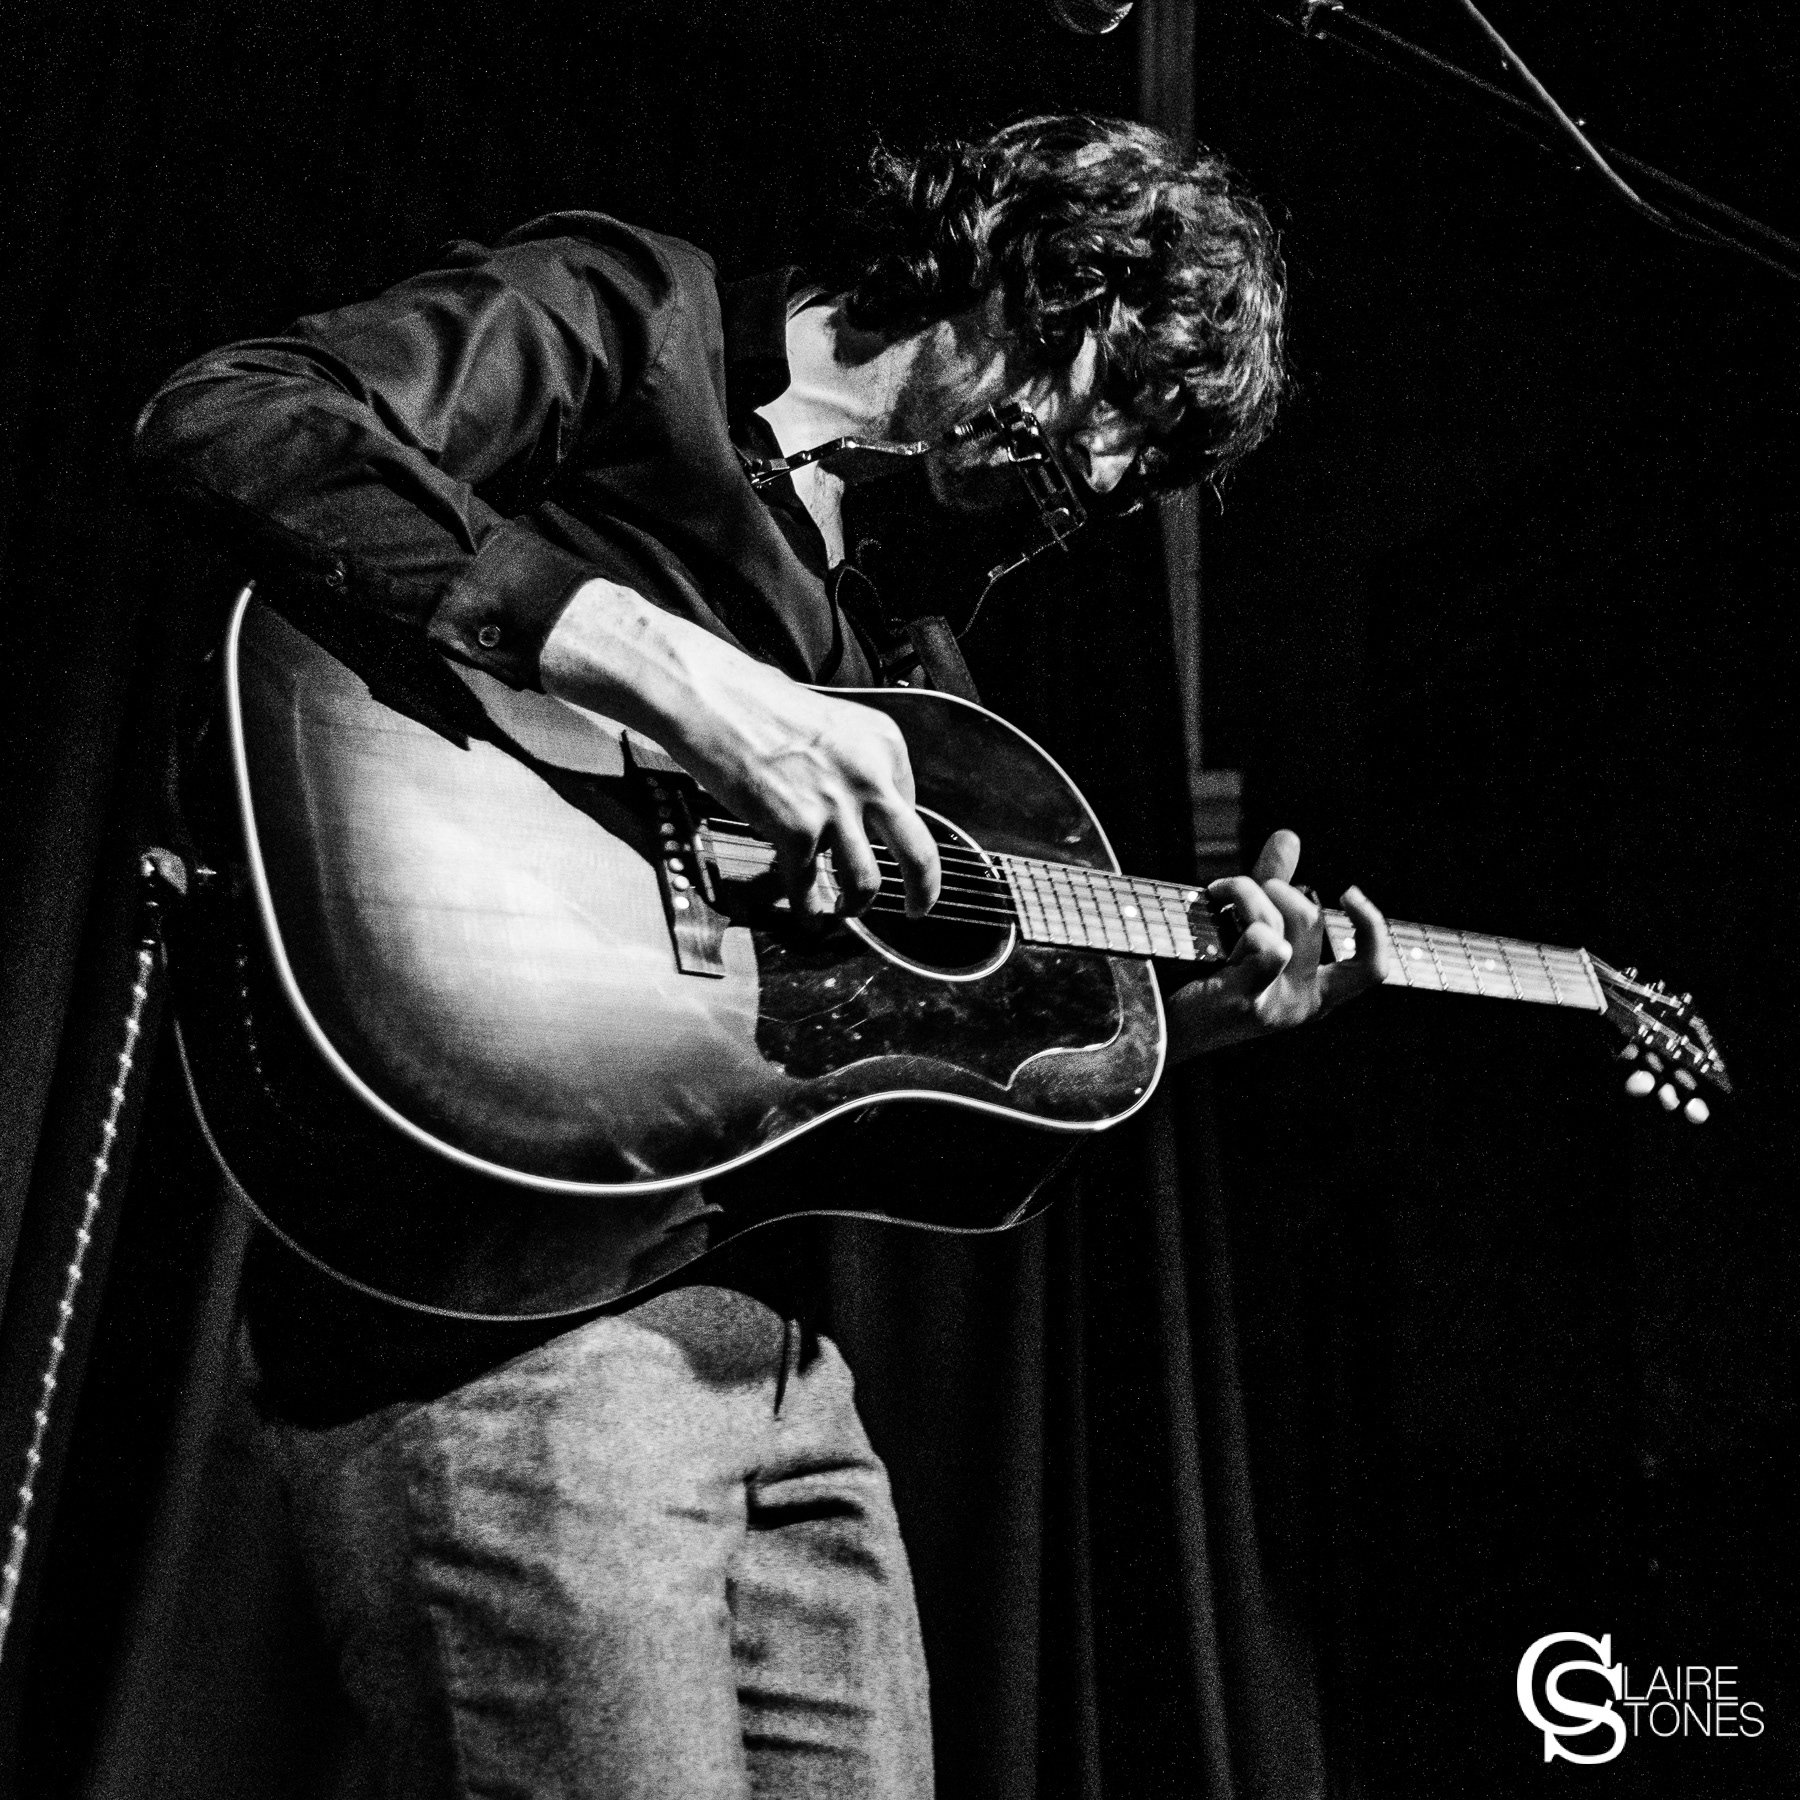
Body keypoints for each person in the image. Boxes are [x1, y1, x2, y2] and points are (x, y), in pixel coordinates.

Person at [135, 114, 1390, 1800]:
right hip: (510, 1340)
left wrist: (1193, 1008)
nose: (1102, 482)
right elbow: (231, 416)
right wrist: (683, 678)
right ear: (1046, 274)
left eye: (1149, 467)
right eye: (1127, 408)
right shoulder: (632, 318)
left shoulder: (897, 642)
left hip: (781, 1381)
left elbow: (922, 1036)